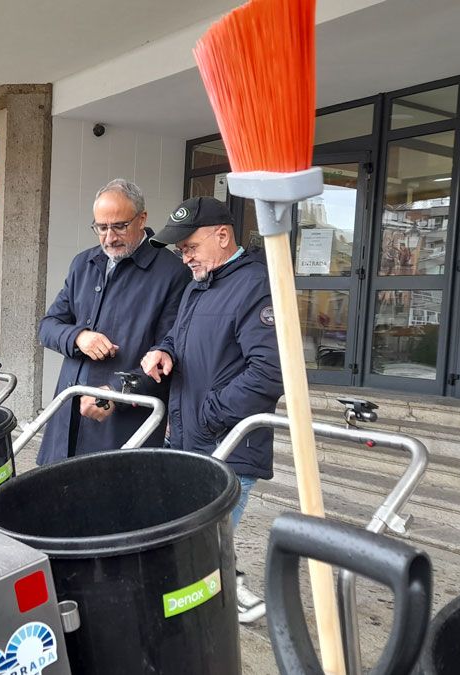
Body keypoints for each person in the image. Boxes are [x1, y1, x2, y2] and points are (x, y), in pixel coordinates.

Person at [140, 196, 283, 624]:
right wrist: (163, 351)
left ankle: (203, 619)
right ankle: (222, 596)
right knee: (198, 538)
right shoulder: (199, 285)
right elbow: (182, 339)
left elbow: (270, 373)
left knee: (197, 542)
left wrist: (210, 413)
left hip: (228, 444)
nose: (185, 257)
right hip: (189, 438)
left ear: (223, 236)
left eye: (190, 247)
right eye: (181, 250)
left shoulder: (256, 284)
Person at [37, 179, 190, 464]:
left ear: (142, 218)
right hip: (66, 423)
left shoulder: (172, 272)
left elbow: (173, 354)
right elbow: (47, 327)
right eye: (101, 228)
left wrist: (118, 393)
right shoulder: (83, 263)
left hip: (124, 428)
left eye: (119, 226)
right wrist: (79, 337)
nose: (109, 238)